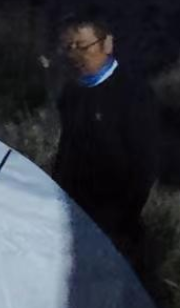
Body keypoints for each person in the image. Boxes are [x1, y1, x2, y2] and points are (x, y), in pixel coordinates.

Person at [51, 13, 160, 256]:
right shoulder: (71, 94)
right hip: (76, 219)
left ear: (107, 44)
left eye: (83, 46)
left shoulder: (133, 93)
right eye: (69, 48)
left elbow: (144, 164)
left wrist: (122, 218)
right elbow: (66, 152)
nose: (75, 55)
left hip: (117, 226)